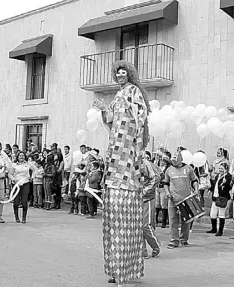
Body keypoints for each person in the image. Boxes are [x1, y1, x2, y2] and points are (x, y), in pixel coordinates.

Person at [94, 60, 150, 285]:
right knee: (112, 226)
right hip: (116, 152)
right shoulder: (118, 96)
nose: (120, 75)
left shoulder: (133, 91)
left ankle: (127, 270)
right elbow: (112, 121)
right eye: (117, 73)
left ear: (130, 74)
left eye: (123, 72)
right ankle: (115, 269)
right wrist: (103, 110)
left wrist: (137, 141)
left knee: (126, 226)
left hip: (128, 151)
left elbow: (141, 116)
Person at [163, 148, 199, 249]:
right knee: (173, 220)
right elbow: (165, 183)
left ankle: (184, 239)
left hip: (186, 198)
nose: (173, 162)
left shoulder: (188, 169)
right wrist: (167, 193)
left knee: (186, 220)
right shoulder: (169, 170)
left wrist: (196, 190)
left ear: (180, 159)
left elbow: (194, 180)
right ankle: (174, 240)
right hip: (172, 199)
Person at [140, 154, 161, 258]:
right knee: (136, 226)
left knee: (145, 225)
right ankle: (142, 251)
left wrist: (145, 191)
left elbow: (156, 177)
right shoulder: (126, 163)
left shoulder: (146, 163)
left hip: (146, 198)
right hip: (133, 199)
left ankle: (155, 245)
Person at [8, 151, 37, 223]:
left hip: (25, 183)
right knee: (16, 202)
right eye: (20, 155)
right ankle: (16, 216)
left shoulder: (28, 164)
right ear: (17, 157)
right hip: (16, 184)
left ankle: (24, 217)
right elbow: (10, 174)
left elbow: (35, 169)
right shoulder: (14, 165)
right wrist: (13, 179)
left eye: (23, 155)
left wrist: (32, 177)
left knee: (24, 201)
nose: (21, 157)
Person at [207, 163, 232, 236]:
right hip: (215, 197)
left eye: (222, 168)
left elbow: (229, 186)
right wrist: (210, 189)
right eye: (219, 168)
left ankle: (220, 231)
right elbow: (214, 185)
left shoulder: (228, 176)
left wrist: (226, 183)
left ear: (226, 169)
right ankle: (214, 228)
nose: (220, 170)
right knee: (213, 214)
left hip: (222, 197)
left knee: (221, 214)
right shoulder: (218, 176)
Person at [155, 153, 171, 228]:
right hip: (157, 187)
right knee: (157, 204)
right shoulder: (158, 167)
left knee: (163, 204)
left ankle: (164, 222)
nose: (161, 162)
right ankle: (155, 220)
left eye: (162, 160)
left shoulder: (167, 169)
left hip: (163, 187)